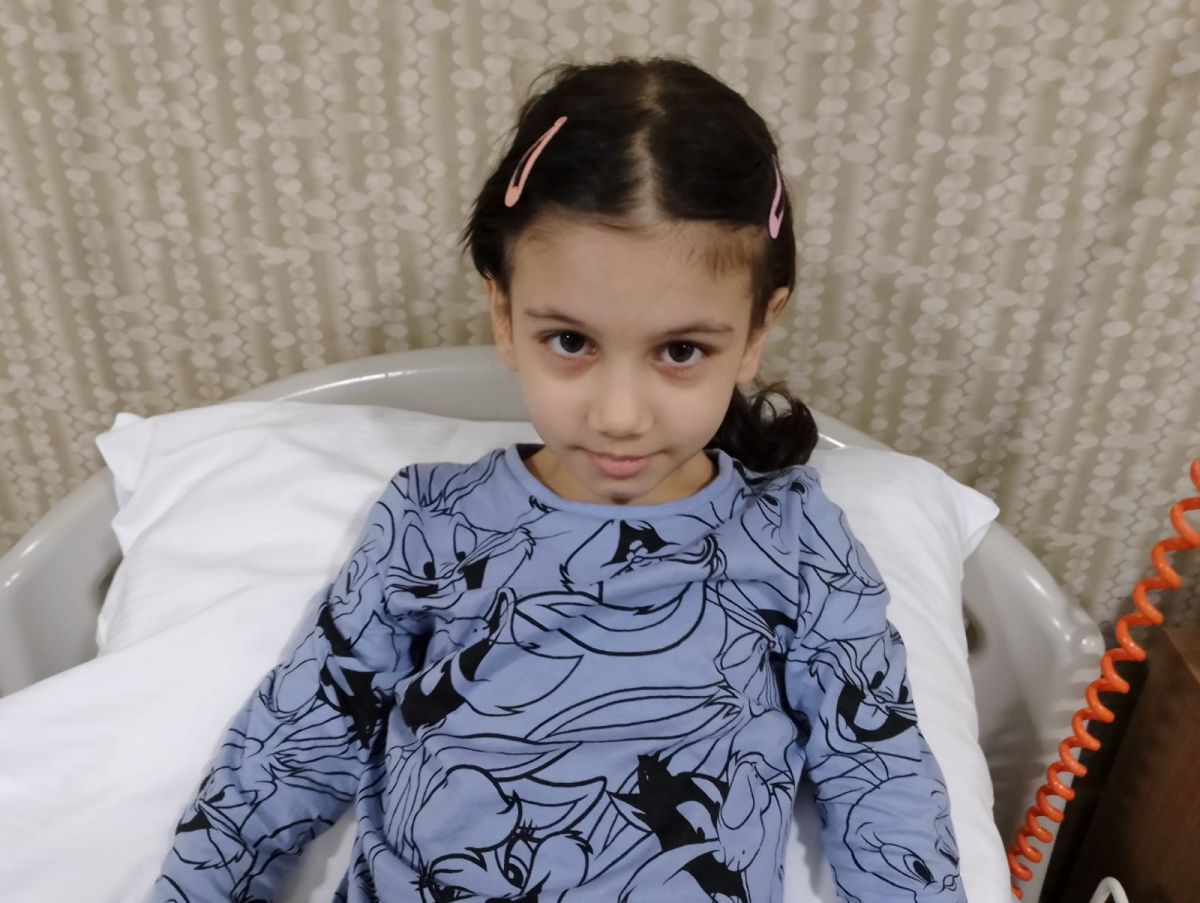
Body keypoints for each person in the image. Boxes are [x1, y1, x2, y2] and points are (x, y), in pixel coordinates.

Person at [152, 56, 963, 903]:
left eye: (681, 350)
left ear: (757, 330)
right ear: (504, 314)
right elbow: (291, 748)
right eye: (571, 342)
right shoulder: (432, 521)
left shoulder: (793, 538)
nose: (620, 414)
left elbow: (884, 780)